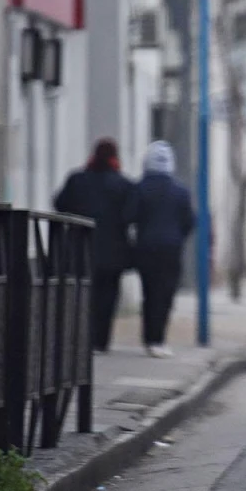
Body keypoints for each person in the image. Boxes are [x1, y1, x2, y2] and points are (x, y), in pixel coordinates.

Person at [54, 138, 135, 354]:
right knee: (107, 298)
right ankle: (101, 340)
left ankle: (82, 337)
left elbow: (59, 204)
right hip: (113, 253)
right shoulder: (124, 185)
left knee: (82, 295)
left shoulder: (77, 180)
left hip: (80, 248)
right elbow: (130, 215)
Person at [129, 141, 195, 358]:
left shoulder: (140, 188)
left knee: (149, 293)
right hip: (171, 250)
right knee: (165, 295)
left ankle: (149, 337)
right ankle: (158, 339)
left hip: (145, 247)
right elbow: (189, 221)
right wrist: (177, 237)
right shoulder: (181, 191)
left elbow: (128, 215)